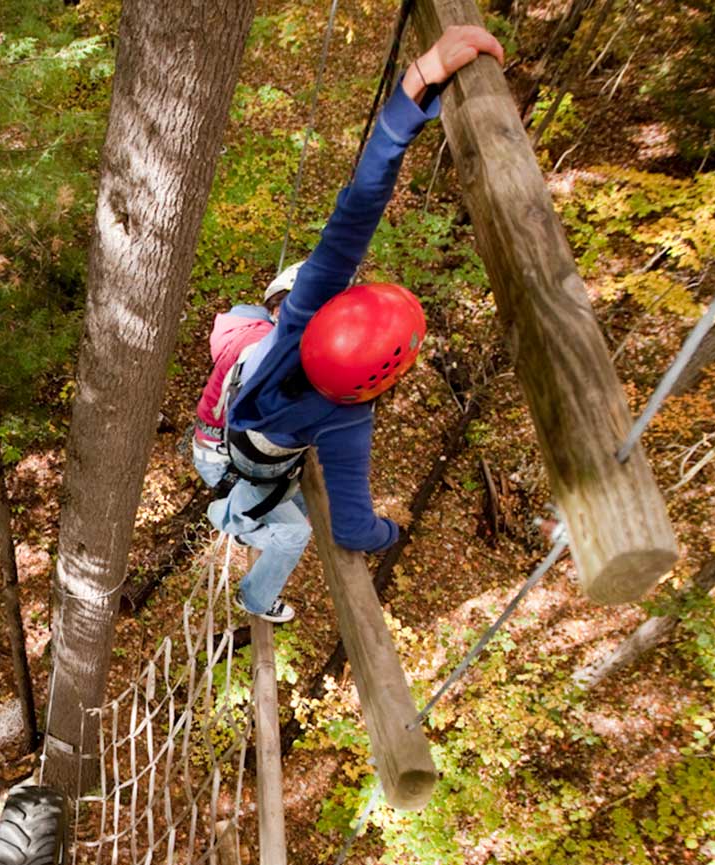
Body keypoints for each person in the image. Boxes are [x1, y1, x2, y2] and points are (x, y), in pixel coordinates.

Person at [198, 25, 504, 624]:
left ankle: (242, 505)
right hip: (252, 462)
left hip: (234, 438)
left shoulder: (301, 315)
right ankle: (236, 517)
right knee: (290, 517)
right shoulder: (347, 418)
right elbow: (356, 526)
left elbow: (358, 205)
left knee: (287, 500)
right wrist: (391, 532)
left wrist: (415, 85)